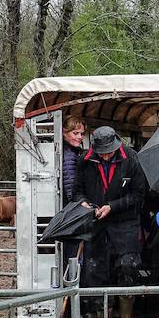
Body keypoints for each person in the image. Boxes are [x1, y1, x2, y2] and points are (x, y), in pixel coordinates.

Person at [73, 125, 147, 318]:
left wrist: (112, 207)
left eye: (108, 152)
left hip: (125, 222)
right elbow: (77, 191)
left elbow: (139, 194)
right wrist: (84, 203)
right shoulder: (85, 160)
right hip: (95, 222)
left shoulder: (131, 158)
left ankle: (126, 317)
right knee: (94, 270)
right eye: (101, 153)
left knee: (128, 266)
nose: (105, 156)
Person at [60, 115, 88, 284]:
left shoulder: (74, 152)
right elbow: (70, 186)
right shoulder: (69, 156)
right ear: (64, 132)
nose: (79, 137)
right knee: (74, 258)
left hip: (71, 211)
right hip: (72, 214)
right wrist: (81, 206)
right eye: (75, 133)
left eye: (81, 133)